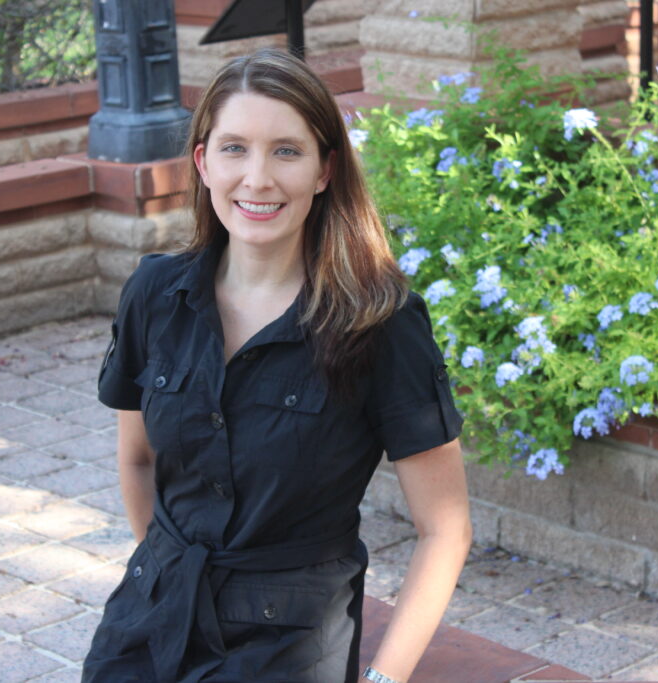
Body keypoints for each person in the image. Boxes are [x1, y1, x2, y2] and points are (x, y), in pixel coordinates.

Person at [83, 48, 472, 683]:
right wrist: (165, 577)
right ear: (204, 163)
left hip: (287, 651)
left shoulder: (382, 322)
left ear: (324, 169)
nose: (257, 179)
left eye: (286, 151)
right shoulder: (155, 294)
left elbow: (445, 530)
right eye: (234, 148)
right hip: (143, 636)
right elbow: (138, 459)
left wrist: (383, 680)